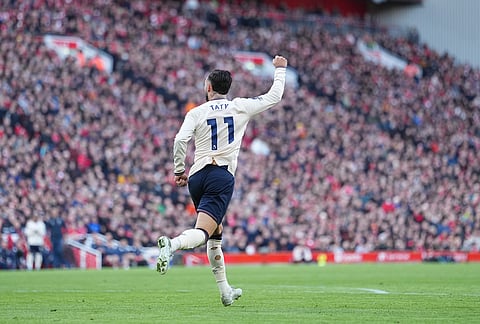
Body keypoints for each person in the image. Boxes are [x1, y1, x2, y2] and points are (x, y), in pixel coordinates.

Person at [157, 55, 288, 306]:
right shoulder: (240, 106)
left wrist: (178, 171)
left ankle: (225, 291)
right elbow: (274, 96)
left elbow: (179, 141)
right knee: (204, 231)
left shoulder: (196, 112)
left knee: (216, 233)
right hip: (221, 175)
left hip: (196, 176)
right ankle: (171, 245)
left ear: (208, 87)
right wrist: (280, 70)